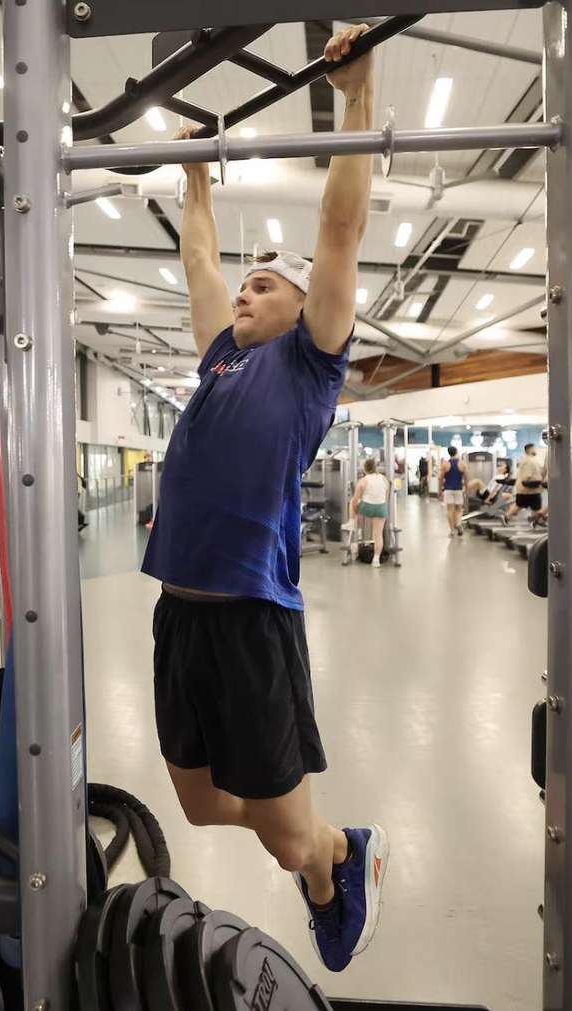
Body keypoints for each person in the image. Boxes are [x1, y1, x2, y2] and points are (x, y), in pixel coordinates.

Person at [140, 24, 387, 973]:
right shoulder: (221, 359)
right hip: (179, 615)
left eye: (264, 284)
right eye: (247, 283)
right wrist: (198, 174)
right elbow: (199, 261)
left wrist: (359, 99)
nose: (245, 290)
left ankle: (332, 855)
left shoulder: (308, 364)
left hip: (252, 618)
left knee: (288, 839)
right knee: (200, 805)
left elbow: (339, 230)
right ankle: (317, 841)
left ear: (303, 302)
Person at [350, 457, 390, 566]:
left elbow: (355, 499)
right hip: (381, 508)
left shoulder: (363, 481)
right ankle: (376, 560)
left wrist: (355, 511)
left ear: (365, 469)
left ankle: (354, 525)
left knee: (352, 503)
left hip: (366, 508)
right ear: (375, 468)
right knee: (378, 534)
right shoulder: (384, 479)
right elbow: (386, 498)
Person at [506, 443, 546, 521]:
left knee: (528, 506)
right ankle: (536, 520)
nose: (535, 450)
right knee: (521, 505)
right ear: (529, 450)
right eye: (534, 448)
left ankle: (535, 521)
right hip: (528, 489)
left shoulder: (529, 460)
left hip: (528, 490)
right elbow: (527, 476)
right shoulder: (529, 461)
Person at [439, 446, 466, 537]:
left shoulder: (445, 464)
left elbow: (440, 478)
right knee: (459, 509)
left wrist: (440, 490)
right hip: (458, 489)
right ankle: (458, 523)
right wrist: (466, 487)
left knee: (450, 510)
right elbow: (466, 477)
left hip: (448, 489)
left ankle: (452, 531)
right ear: (456, 452)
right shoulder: (462, 464)